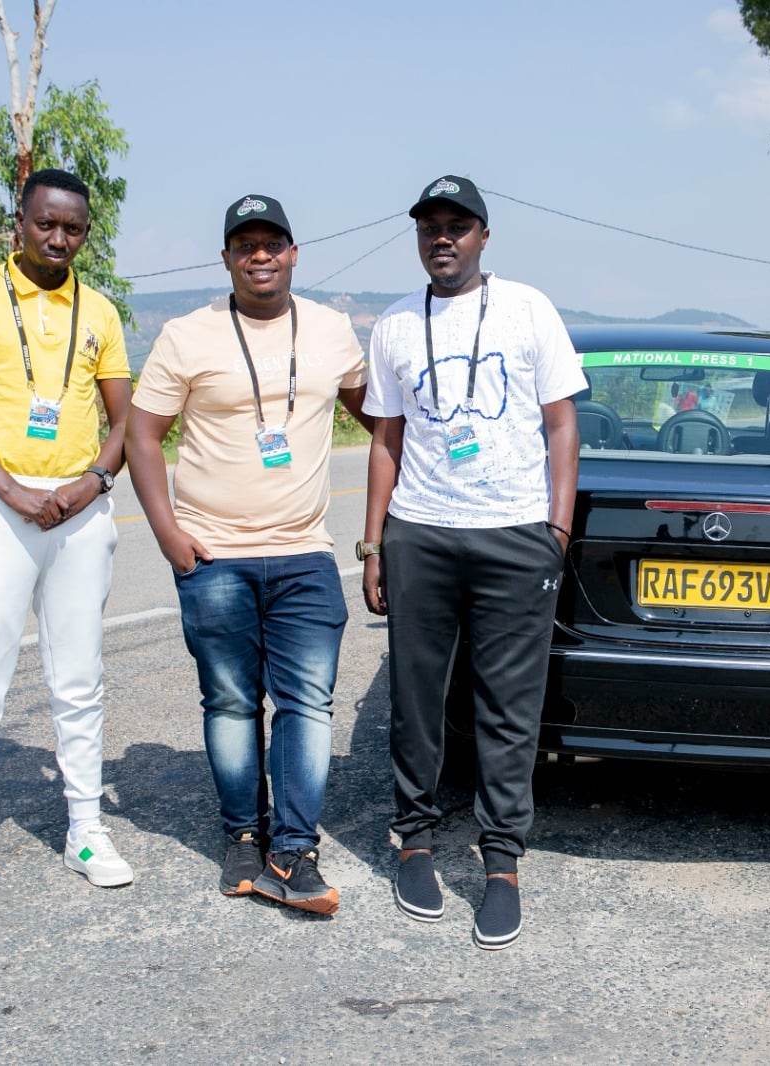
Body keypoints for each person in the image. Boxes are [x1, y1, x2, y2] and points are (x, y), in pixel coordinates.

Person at [126, 194, 371, 916]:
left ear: (295, 253)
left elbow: (384, 422)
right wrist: (169, 534)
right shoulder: (186, 335)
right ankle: (241, 835)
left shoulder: (332, 333)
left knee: (307, 706)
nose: (259, 255)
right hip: (215, 557)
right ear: (227, 258)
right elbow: (143, 435)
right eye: (245, 245)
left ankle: (293, 849)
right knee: (231, 702)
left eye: (273, 243)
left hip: (305, 555)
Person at [362, 174, 583, 950]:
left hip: (514, 534)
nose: (443, 238)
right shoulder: (392, 324)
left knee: (508, 708)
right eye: (430, 227)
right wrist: (373, 542)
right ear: (418, 238)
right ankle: (415, 843)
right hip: (421, 532)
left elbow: (562, 426)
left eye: (458, 226)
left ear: (484, 236)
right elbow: (384, 441)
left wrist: (554, 529)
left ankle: (500, 861)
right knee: (417, 701)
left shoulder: (529, 308)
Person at [0, 168, 134, 922]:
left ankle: (85, 830)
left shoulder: (100, 310)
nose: (59, 238)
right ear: (20, 222)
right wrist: (11, 492)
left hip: (77, 509)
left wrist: (92, 485)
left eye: (73, 228)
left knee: (79, 680)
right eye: (46, 224)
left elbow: (125, 425)